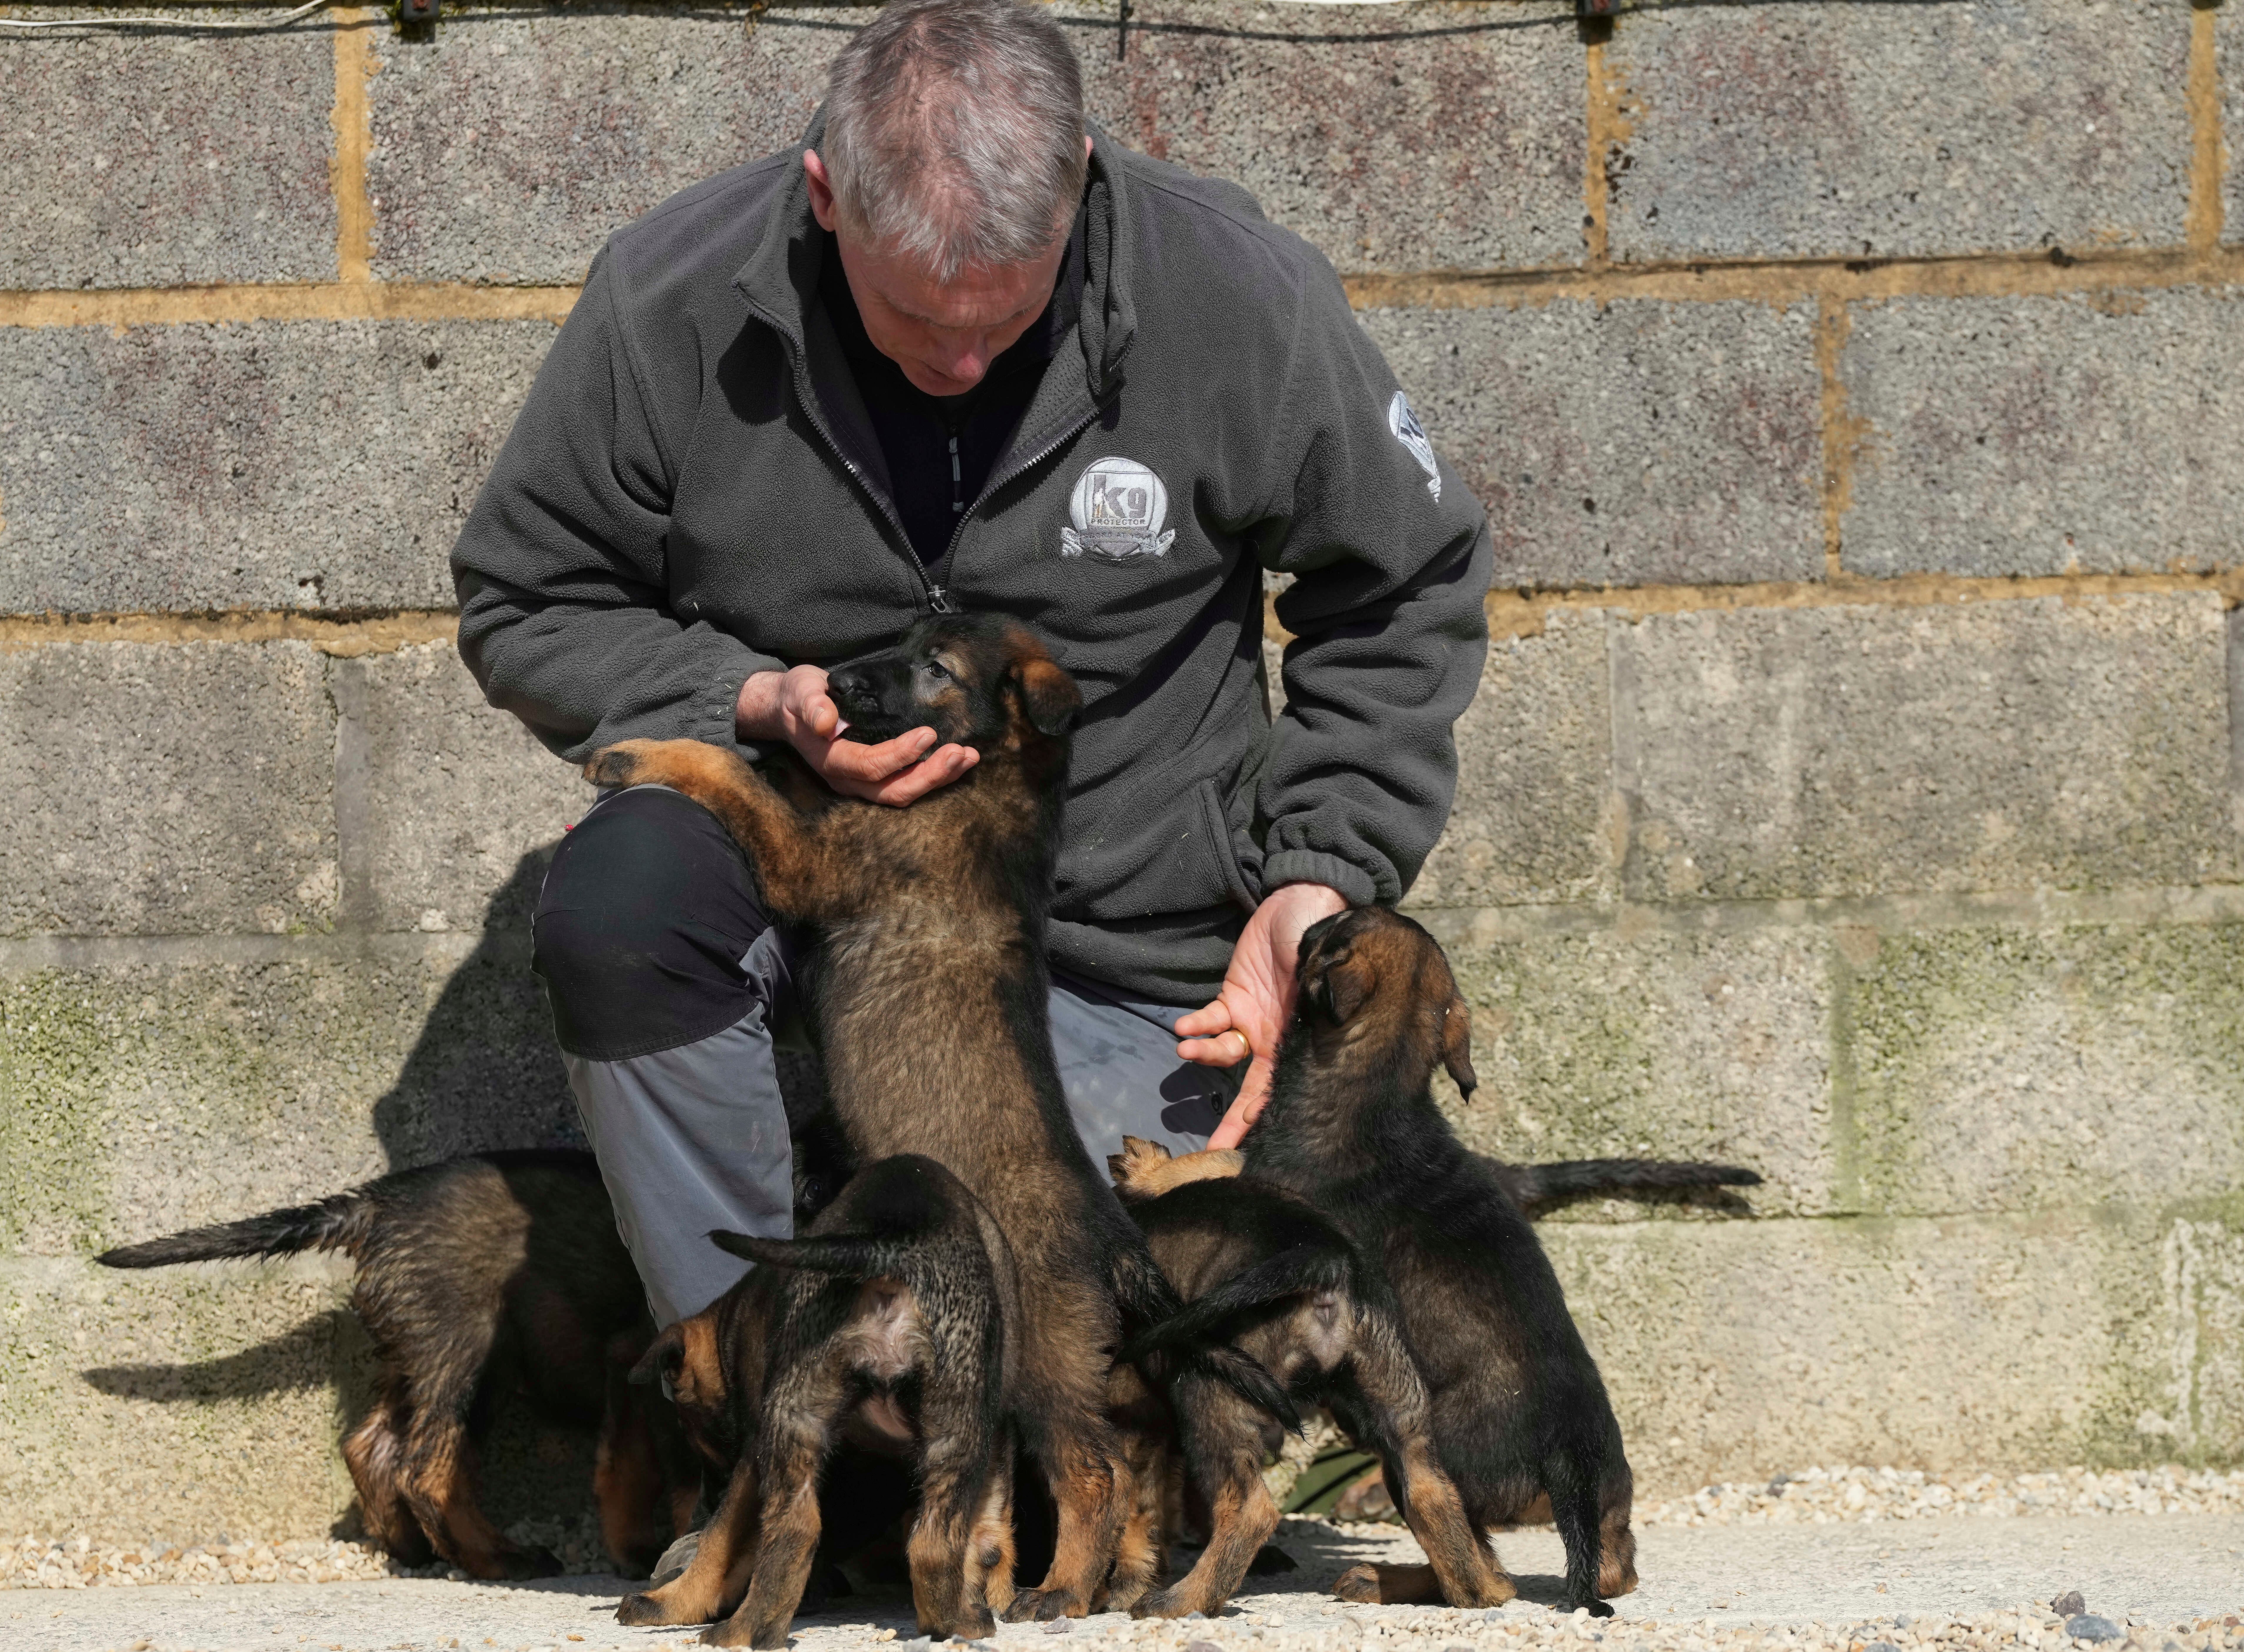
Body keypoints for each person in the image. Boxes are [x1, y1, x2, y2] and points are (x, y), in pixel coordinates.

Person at [451, 0, 1490, 1326]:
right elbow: (525, 593)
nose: (958, 362)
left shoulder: (1238, 295)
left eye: (1008, 319)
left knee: (1192, 1301)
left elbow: (1407, 576)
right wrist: (749, 702)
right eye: (913, 317)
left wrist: (1318, 875)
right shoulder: (669, 300)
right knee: (619, 901)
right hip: (809, 888)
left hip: (1128, 955)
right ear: (824, 197)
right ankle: (749, 1402)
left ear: (1083, 187)